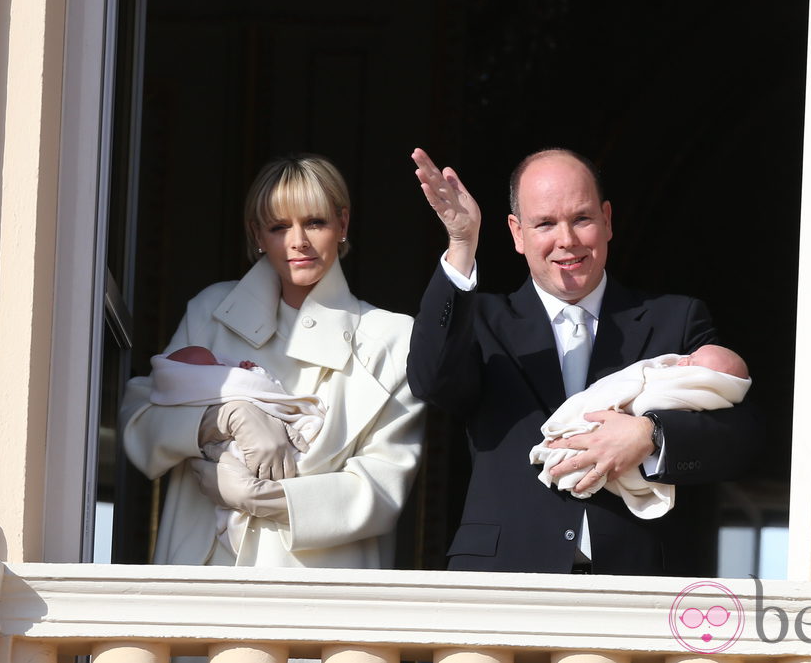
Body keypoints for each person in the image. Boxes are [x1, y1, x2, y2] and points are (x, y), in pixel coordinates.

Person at [407, 147, 763, 575]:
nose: (567, 241)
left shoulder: (677, 318)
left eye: (582, 219)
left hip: (643, 576)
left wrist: (651, 436)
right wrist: (463, 243)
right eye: (545, 224)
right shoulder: (483, 321)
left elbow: (743, 437)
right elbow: (430, 381)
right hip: (506, 577)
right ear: (517, 234)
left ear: (607, 221)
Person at [120, 153, 426, 568]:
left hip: (314, 592)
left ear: (342, 224)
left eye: (314, 222)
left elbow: (381, 488)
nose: (298, 241)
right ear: (257, 234)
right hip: (202, 581)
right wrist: (220, 417)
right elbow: (141, 420)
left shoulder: (392, 337)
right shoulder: (211, 311)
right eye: (279, 227)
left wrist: (262, 498)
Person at [530, 344, 752, 518]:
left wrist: (650, 431)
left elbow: (737, 428)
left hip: (636, 544)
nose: (684, 361)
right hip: (524, 529)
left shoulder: (682, 316)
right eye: (690, 356)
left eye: (694, 362)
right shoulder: (494, 317)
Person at [153, 345, 325, 556]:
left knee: (301, 439)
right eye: (210, 366)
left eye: (216, 363)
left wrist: (285, 503)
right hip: (220, 469)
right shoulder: (201, 322)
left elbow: (265, 389)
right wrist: (215, 419)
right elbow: (153, 404)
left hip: (299, 545)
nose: (219, 366)